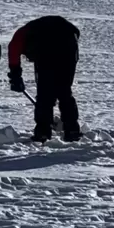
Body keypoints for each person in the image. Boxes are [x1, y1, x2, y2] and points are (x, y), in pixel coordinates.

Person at [8, 15, 82, 143]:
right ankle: (72, 131)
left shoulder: (24, 34)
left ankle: (43, 132)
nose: (29, 59)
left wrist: (15, 74)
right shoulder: (34, 30)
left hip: (50, 47)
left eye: (28, 56)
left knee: (45, 94)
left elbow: (13, 49)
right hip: (70, 46)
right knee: (64, 90)